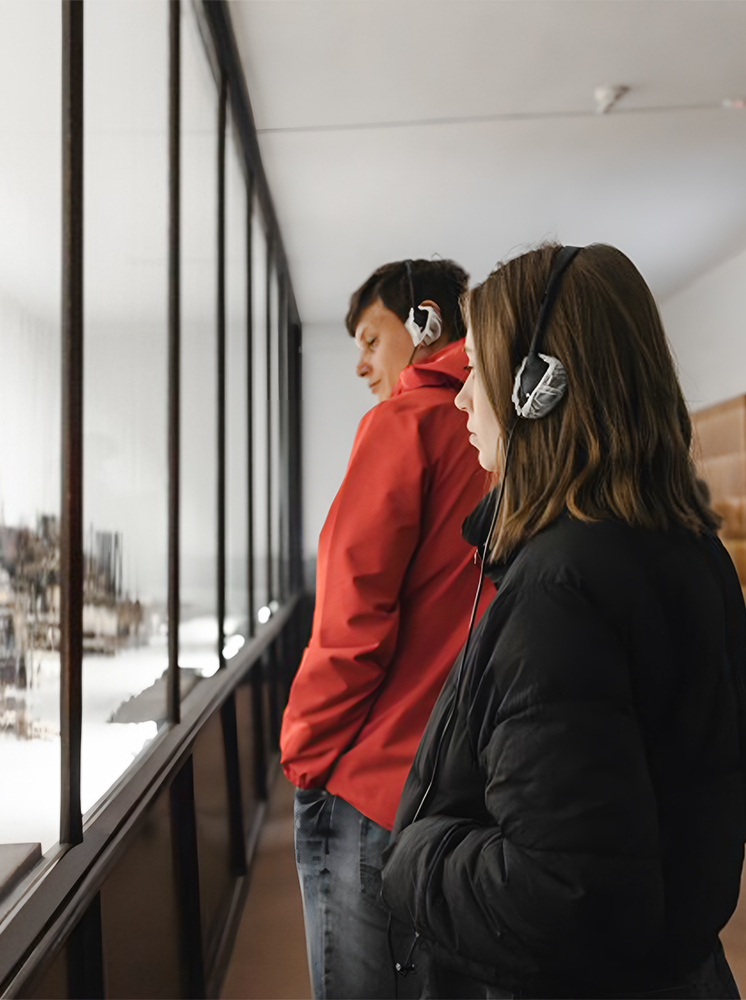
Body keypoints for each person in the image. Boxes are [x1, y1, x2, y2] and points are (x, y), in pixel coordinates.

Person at [381, 243, 746, 1000]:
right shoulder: (687, 545)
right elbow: (740, 793)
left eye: (478, 374)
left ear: (539, 389)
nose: (462, 400)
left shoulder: (562, 591)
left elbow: (557, 894)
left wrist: (412, 857)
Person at [280, 258, 490, 999]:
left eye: (372, 340)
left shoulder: (405, 425)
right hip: (479, 792)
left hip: (375, 786)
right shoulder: (520, 434)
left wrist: (305, 754)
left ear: (426, 322)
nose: (364, 365)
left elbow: (351, 619)